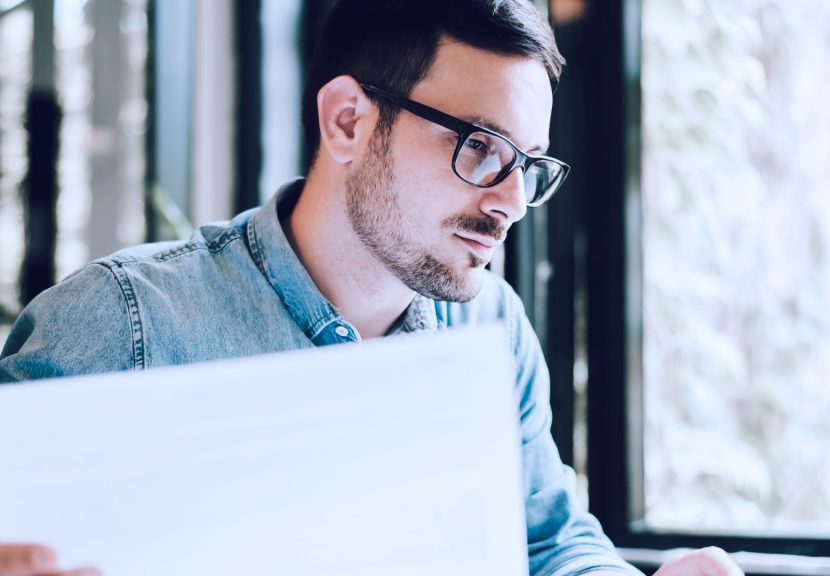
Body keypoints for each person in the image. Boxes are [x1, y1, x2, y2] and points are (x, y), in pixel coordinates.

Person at [0, 1, 743, 575]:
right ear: (348, 120)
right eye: (481, 147)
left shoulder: (492, 326)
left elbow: (548, 541)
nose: (512, 201)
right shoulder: (121, 323)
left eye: (529, 163)